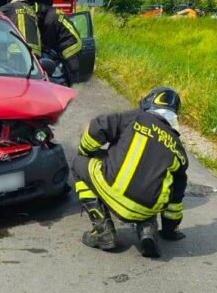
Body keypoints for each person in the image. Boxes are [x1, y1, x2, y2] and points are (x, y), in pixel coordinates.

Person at [72, 86, 188, 258]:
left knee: (78, 164)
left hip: (112, 191)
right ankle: (147, 230)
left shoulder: (138, 117)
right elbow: (175, 200)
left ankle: (103, 231)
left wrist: (85, 151)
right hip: (146, 209)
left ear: (149, 102)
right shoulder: (178, 149)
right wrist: (170, 231)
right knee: (154, 184)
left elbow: (99, 127)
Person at [0, 0, 83, 83]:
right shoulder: (33, 11)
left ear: (11, 0)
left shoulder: (12, 7)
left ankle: (74, 85)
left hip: (20, 49)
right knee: (34, 77)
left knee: (20, 77)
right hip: (36, 50)